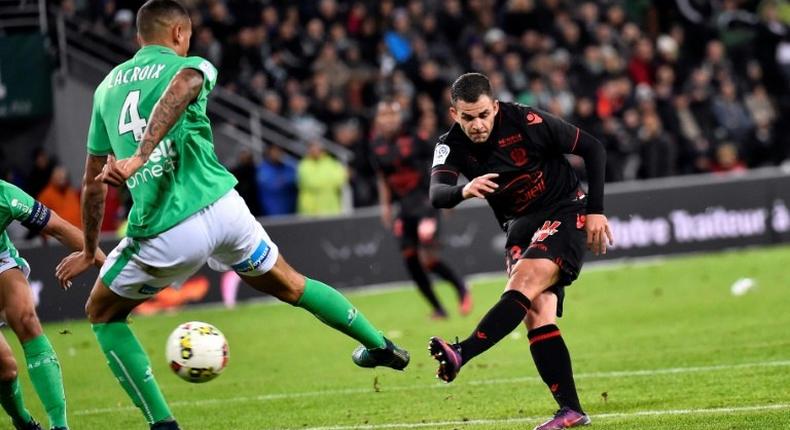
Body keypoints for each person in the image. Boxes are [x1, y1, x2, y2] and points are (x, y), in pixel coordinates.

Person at [54, 2, 409, 429]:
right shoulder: (191, 65)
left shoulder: (106, 89)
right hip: (225, 210)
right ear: (180, 34)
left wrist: (90, 248)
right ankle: (380, 344)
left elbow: (92, 181)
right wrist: (143, 153)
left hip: (168, 229)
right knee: (293, 285)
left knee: (102, 313)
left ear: (138, 39)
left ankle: (162, 423)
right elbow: (186, 82)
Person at [428, 73, 613, 430]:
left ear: (495, 106)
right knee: (538, 312)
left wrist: (596, 210)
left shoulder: (527, 121)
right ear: (454, 114)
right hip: (518, 226)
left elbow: (593, 148)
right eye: (467, 118)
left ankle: (461, 352)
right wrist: (464, 192)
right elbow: (437, 194)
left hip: (565, 208)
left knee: (524, 282)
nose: (477, 124)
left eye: (483, 114)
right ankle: (571, 411)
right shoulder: (449, 145)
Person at [0, 180, 105, 430]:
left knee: (26, 317)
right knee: (5, 370)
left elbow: (57, 227)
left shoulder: (5, 195)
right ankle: (23, 421)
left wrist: (108, 266)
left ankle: (60, 426)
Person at [370, 100, 471, 319]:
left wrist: (447, 193)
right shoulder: (377, 146)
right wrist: (385, 206)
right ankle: (438, 308)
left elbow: (443, 162)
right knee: (410, 259)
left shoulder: (417, 138)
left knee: (428, 257)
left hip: (427, 203)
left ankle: (461, 288)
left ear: (400, 117)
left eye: (392, 115)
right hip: (404, 209)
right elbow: (383, 178)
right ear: (378, 120)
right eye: (383, 116)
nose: (388, 121)